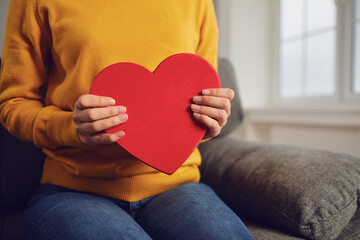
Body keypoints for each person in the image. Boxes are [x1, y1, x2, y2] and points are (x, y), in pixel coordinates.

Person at [0, 0, 255, 239]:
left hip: (177, 187)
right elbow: (13, 102)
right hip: (72, 191)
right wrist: (70, 128)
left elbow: (201, 89)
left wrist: (207, 120)